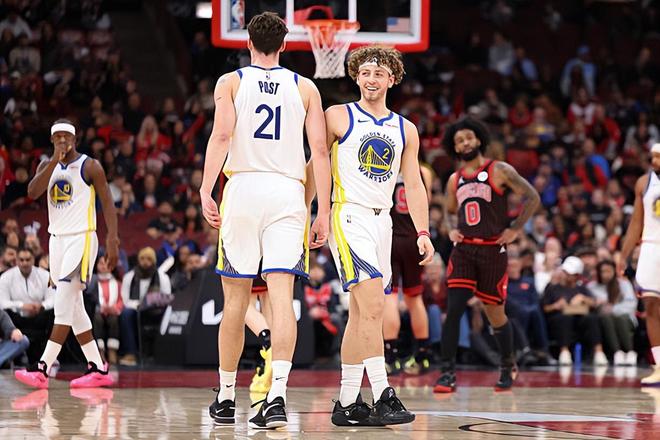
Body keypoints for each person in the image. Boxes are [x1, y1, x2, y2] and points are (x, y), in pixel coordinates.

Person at [199, 12, 331, 429]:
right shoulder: (306, 87)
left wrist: (205, 189)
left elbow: (221, 136)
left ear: (248, 43)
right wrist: (323, 211)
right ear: (285, 45)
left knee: (236, 302)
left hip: (243, 188)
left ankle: (225, 398)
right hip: (288, 193)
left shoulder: (230, 82)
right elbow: (320, 153)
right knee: (281, 299)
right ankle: (276, 399)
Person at [325, 45, 434, 426]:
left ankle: (346, 404)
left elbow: (414, 184)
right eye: (365, 73)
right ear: (357, 77)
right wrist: (312, 214)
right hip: (348, 214)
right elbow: (316, 163)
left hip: (383, 221)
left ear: (392, 79)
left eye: (379, 73)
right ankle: (383, 394)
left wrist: (423, 231)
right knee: (373, 306)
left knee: (361, 315)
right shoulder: (337, 115)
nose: (371, 79)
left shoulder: (405, 128)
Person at [434, 117, 541, 393]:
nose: (465, 143)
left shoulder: (499, 170)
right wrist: (451, 227)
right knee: (454, 310)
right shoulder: (454, 179)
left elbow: (532, 197)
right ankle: (447, 373)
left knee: (496, 315)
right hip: (464, 251)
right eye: (459, 141)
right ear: (454, 147)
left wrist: (515, 229)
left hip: (493, 250)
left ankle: (507, 364)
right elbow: (448, 209)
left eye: (468, 137)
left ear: (479, 139)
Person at [14, 119, 119, 389]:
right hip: (56, 241)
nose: (62, 140)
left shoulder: (89, 165)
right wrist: (53, 162)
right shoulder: (46, 166)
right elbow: (32, 192)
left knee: (62, 303)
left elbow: (108, 202)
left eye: (66, 136)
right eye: (57, 136)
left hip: (81, 238)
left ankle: (42, 368)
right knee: (75, 308)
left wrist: (113, 239)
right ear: (52, 140)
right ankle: (97, 367)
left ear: (75, 139)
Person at [383, 165, 433, 375]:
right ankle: (422, 355)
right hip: (414, 239)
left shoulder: (385, 166)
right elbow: (425, 203)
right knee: (415, 298)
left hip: (391, 238)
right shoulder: (424, 172)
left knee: (390, 298)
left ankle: (390, 358)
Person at [618, 143, 660, 385]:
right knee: (651, 306)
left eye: (658, 157)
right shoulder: (644, 183)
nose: (655, 161)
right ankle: (659, 365)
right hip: (651, 246)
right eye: (652, 157)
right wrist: (623, 255)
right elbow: (636, 223)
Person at [542, 256, 608, 366]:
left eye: (570, 274)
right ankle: (564, 351)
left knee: (592, 319)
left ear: (577, 276)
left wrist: (583, 299)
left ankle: (599, 352)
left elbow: (594, 303)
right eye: (565, 272)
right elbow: (545, 307)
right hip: (560, 318)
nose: (566, 275)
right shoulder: (552, 288)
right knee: (564, 319)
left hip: (579, 318)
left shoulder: (581, 289)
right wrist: (555, 306)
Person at [0, 247, 53, 363]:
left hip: (40, 317)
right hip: (16, 320)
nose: (25, 263)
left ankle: (51, 355)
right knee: (5, 313)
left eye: (28, 260)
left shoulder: (45, 275)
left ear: (33, 260)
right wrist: (22, 305)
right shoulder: (6, 277)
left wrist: (42, 306)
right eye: (21, 260)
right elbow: (2, 303)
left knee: (55, 313)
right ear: (16, 261)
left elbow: (54, 298)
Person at [588, 260, 637, 365]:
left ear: (614, 271)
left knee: (620, 318)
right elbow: (592, 303)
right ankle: (617, 352)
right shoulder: (591, 287)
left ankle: (630, 351)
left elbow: (631, 304)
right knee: (606, 318)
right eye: (603, 271)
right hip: (604, 319)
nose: (606, 274)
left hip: (625, 317)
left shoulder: (624, 284)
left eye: (608, 271)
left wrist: (613, 309)